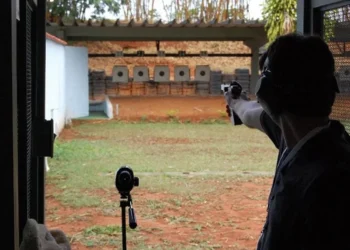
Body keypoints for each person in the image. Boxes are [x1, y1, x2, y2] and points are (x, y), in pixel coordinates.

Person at [225, 33, 350, 250]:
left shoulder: (331, 180)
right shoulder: (297, 135)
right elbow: (249, 112)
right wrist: (235, 102)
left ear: (267, 92)